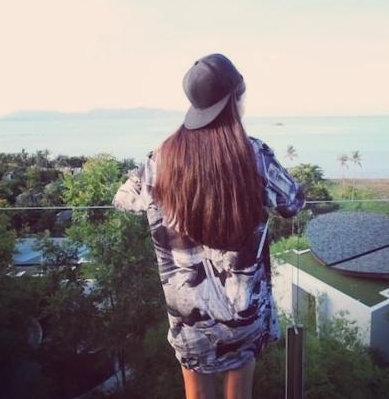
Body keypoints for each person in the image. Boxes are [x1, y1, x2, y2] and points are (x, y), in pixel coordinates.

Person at [112, 53, 305, 399]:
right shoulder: (254, 155)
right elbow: (293, 202)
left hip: (188, 312)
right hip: (243, 310)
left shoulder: (161, 159)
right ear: (234, 98)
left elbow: (124, 200)